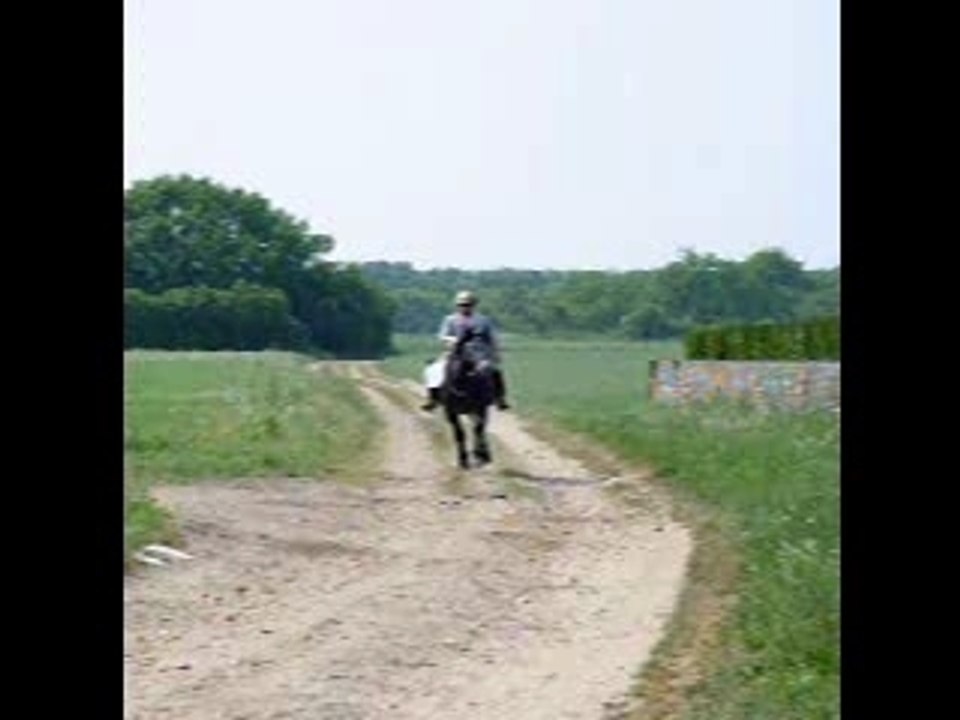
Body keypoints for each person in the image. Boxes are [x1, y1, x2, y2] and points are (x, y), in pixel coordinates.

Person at [422, 290, 510, 411]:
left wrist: (496, 353)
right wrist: (453, 340)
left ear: (474, 305)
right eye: (462, 305)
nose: (465, 307)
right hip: (455, 352)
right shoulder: (450, 319)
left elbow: (493, 337)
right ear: (457, 306)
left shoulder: (483, 320)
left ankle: (499, 398)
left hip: (479, 354)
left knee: (494, 371)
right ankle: (433, 398)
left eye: (468, 305)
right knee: (432, 369)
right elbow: (442, 336)